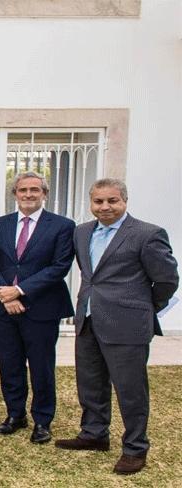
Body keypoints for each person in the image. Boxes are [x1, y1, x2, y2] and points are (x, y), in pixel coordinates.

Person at [55, 178, 178, 475]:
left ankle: (135, 448)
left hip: (128, 324)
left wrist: (143, 309)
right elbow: (90, 275)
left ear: (124, 201)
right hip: (88, 319)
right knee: (91, 383)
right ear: (91, 203)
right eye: (98, 201)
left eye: (112, 201)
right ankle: (94, 434)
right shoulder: (82, 232)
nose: (105, 207)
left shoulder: (147, 234)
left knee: (130, 390)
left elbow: (166, 280)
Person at [0, 172, 75, 444]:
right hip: (4, 306)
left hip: (41, 307)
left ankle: (43, 420)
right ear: (15, 194)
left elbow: (59, 267)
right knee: (9, 363)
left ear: (44, 193)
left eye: (35, 189)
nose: (28, 194)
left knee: (41, 366)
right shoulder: (0, 224)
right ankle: (15, 414)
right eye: (23, 190)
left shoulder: (61, 225)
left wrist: (21, 291)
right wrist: (5, 293)